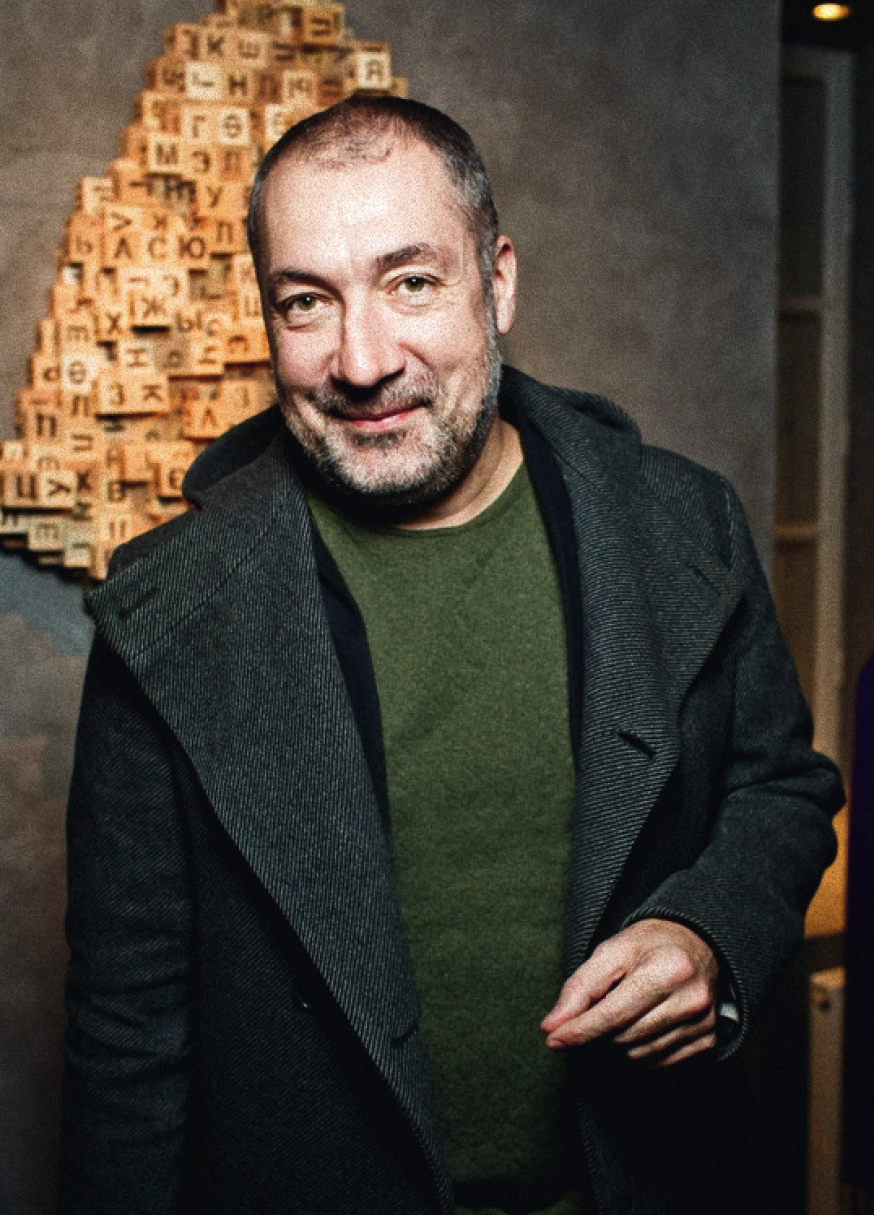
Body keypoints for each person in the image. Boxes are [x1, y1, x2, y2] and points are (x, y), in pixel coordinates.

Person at [59, 96, 844, 1215]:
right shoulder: (168, 616)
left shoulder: (684, 527)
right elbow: (126, 1038)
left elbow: (782, 788)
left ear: (498, 282)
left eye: (411, 282)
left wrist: (709, 930)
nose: (362, 359)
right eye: (306, 302)